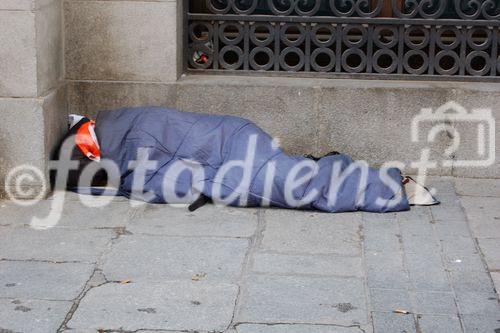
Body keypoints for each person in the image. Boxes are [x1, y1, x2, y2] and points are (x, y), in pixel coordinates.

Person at [52, 107, 438, 213]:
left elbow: (162, 180)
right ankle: (348, 175)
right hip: (229, 142)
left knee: (293, 186)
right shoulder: (114, 123)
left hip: (226, 153)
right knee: (286, 178)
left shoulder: (128, 133)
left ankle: (388, 186)